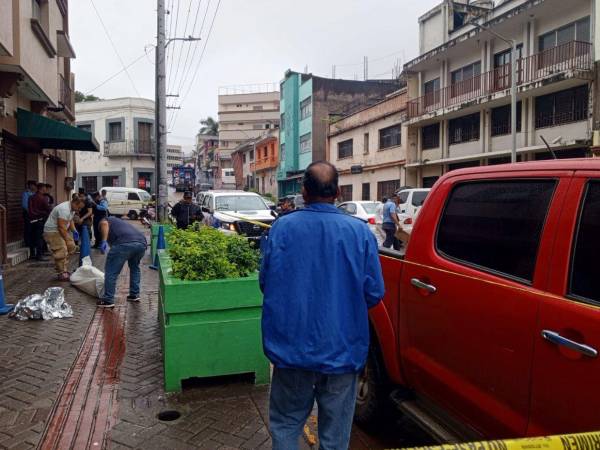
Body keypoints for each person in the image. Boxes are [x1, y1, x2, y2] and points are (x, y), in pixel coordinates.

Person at [260, 161, 385, 450]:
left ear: (303, 191)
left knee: (286, 424)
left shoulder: (281, 229)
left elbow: (265, 283)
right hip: (342, 349)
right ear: (338, 192)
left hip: (291, 349)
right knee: (335, 436)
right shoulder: (361, 233)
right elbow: (374, 292)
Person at [96, 216, 147, 308]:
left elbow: (104, 224)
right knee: (135, 268)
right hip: (141, 243)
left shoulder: (104, 220)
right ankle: (134, 295)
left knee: (111, 272)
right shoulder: (120, 223)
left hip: (124, 243)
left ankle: (108, 300)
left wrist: (103, 241)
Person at [43, 197, 83, 281]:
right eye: (79, 207)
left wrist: (74, 231)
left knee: (71, 247)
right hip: (52, 231)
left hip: (60, 230)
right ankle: (61, 273)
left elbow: (70, 220)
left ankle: (63, 268)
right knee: (62, 250)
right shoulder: (64, 209)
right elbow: (61, 227)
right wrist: (67, 240)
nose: (79, 210)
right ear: (74, 203)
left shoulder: (71, 209)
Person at [28, 183, 52, 260]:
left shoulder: (31, 197)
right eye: (44, 188)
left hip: (32, 220)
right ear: (41, 189)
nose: (45, 189)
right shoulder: (43, 198)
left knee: (32, 237)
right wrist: (44, 213)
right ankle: (39, 255)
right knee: (39, 238)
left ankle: (32, 254)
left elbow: (30, 210)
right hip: (41, 220)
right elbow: (48, 209)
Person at [22, 180, 37, 258]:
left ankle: (33, 244)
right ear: (30, 185)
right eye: (33, 185)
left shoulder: (35, 194)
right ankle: (28, 242)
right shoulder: (26, 193)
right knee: (28, 229)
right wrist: (31, 211)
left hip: (35, 215)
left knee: (33, 231)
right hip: (28, 214)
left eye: (35, 185)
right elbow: (25, 205)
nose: (34, 187)